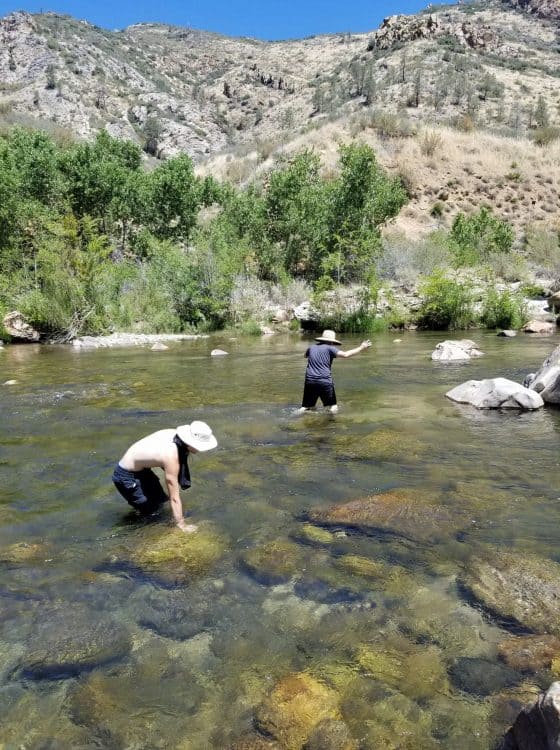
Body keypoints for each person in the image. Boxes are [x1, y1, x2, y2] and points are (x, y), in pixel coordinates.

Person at [112, 421, 217, 533]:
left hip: (142, 470)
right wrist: (182, 525)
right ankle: (123, 530)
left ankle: (138, 512)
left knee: (161, 501)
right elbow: (174, 498)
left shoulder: (174, 435)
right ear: (189, 443)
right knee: (151, 514)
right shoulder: (171, 456)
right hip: (126, 477)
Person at [298, 329, 371, 414]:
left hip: (310, 381)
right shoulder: (330, 348)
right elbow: (346, 355)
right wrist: (361, 347)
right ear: (331, 341)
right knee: (333, 407)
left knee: (306, 407)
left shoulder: (311, 348)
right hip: (324, 381)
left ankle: (296, 415)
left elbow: (305, 356)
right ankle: (331, 423)